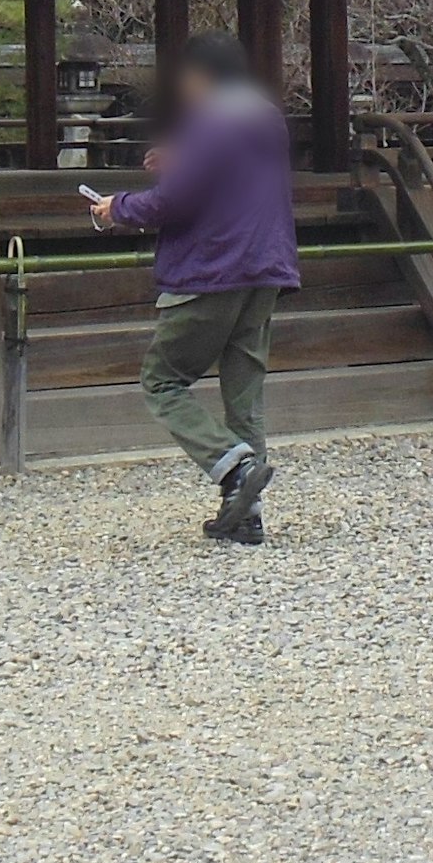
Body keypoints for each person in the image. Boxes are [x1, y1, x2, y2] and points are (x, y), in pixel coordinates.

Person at [87, 31, 302, 546]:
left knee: (162, 380)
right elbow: (229, 179)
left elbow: (174, 204)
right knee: (244, 397)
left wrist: (115, 208)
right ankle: (245, 514)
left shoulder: (209, 120)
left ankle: (232, 471)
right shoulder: (265, 119)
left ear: (202, 75)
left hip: (212, 270)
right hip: (265, 270)